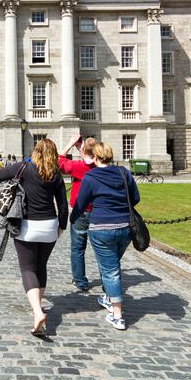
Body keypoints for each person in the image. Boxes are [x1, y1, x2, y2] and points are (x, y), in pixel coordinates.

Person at [0, 138, 68, 336]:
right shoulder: (56, 174)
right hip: (49, 226)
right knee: (41, 265)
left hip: (27, 225)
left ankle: (37, 311)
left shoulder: (24, 168)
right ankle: (38, 305)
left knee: (27, 268)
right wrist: (62, 226)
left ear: (35, 151)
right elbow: (62, 204)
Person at [70, 141, 140, 331]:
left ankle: (117, 315)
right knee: (112, 265)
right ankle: (109, 296)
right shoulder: (124, 172)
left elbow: (81, 203)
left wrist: (72, 219)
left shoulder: (91, 176)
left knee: (111, 270)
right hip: (125, 228)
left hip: (102, 228)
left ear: (94, 157)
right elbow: (135, 198)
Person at [59, 134, 97, 292]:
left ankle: (80, 281)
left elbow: (59, 161)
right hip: (98, 213)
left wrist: (69, 144)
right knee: (102, 250)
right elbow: (91, 159)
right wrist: (82, 149)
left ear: (84, 152)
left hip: (80, 212)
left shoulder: (78, 167)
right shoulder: (101, 166)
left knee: (78, 248)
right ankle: (108, 280)